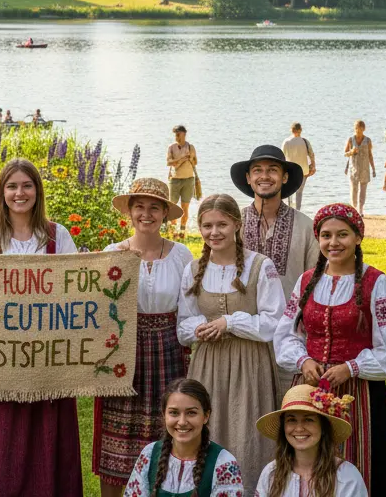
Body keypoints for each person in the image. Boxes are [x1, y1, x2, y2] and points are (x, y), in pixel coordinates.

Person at [0, 158, 82, 497]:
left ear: (37, 191)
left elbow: (75, 288)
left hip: (47, 356)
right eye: (12, 186)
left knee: (46, 434)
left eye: (26, 185)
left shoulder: (58, 236)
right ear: (1, 193)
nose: (19, 193)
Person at [274, 204, 386, 496]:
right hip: (308, 385)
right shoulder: (307, 280)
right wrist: (303, 359)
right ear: (318, 239)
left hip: (358, 393)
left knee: (357, 458)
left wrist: (352, 367)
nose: (333, 243)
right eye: (326, 235)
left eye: (342, 234)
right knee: (305, 455)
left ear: (358, 237)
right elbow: (286, 333)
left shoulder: (376, 282)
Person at [177, 193, 285, 491]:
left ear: (237, 224)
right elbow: (183, 324)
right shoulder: (193, 269)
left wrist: (231, 322)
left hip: (249, 363)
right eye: (207, 226)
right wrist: (199, 327)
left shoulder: (261, 266)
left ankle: (250, 489)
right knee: (208, 430)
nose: (214, 232)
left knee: (246, 431)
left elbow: (274, 322)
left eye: (222, 224)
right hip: (208, 364)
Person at [94, 178, 193, 496]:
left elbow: (189, 307)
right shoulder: (113, 254)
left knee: (169, 428)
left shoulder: (180, 255)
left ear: (165, 213)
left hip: (169, 350)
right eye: (139, 206)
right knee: (117, 434)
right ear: (130, 212)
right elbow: (97, 308)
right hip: (122, 350)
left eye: (154, 207)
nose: (146, 214)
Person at [232, 145, 320, 396]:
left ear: (284, 177)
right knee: (248, 403)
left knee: (289, 404)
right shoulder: (233, 223)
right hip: (244, 334)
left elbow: (315, 282)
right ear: (248, 178)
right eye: (257, 170)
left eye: (272, 170)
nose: (264, 176)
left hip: (291, 334)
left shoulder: (305, 226)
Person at [123, 378, 245, 497]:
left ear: (206, 416)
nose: (182, 422)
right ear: (164, 415)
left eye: (191, 413)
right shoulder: (149, 454)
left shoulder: (224, 463)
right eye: (174, 412)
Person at [254, 384, 366, 497]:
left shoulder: (347, 476)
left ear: (323, 427)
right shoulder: (271, 473)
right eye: (291, 420)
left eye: (308, 419)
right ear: (283, 427)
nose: (299, 428)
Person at [167, 125, 198, 232]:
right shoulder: (171, 147)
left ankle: (182, 231)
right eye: (175, 135)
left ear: (184, 134)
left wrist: (191, 157)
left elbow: (195, 162)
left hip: (188, 180)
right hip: (174, 180)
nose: (176, 137)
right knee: (172, 207)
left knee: (185, 207)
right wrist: (181, 158)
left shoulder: (191, 147)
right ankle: (172, 230)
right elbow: (169, 162)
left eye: (178, 134)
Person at [281, 123, 316, 212]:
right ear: (300, 130)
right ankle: (298, 211)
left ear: (291, 130)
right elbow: (311, 154)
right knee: (299, 192)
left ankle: (289, 209)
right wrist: (313, 166)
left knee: (289, 191)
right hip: (303, 171)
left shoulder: (286, 142)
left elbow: (282, 157)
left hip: (290, 170)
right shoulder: (305, 141)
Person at [344, 120, 375, 216]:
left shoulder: (368, 140)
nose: (358, 130)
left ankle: (361, 209)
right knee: (354, 189)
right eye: (357, 128)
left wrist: (373, 168)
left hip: (365, 168)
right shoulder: (350, 139)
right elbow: (345, 154)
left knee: (363, 190)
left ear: (364, 129)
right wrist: (352, 152)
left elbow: (370, 155)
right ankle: (354, 208)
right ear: (355, 128)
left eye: (361, 128)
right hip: (354, 168)